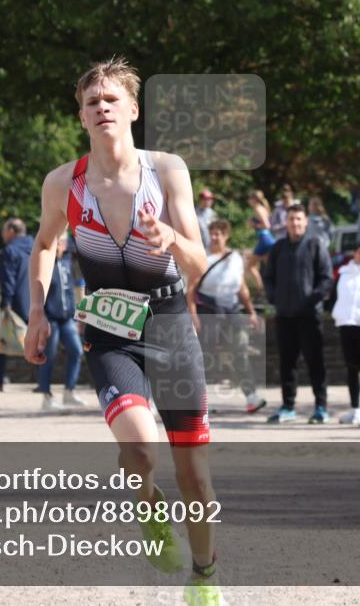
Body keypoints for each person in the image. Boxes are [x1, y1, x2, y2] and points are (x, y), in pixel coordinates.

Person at [23, 58, 222, 605]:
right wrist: (37, 312)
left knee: (195, 477)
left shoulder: (167, 170)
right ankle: (147, 505)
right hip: (110, 329)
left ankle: (204, 580)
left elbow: (200, 262)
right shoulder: (65, 182)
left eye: (112, 100)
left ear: (133, 109)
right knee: (139, 449)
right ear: (82, 116)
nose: (103, 108)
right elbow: (45, 245)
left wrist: (172, 242)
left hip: (170, 324)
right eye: (92, 102)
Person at [263, 204, 333, 424]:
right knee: (287, 363)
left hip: (309, 315)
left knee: (315, 362)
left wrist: (311, 300)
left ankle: (321, 407)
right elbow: (268, 277)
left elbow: (326, 279)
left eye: (299, 219)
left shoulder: (315, 245)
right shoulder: (278, 248)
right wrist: (275, 298)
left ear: (306, 221)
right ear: (286, 222)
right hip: (285, 315)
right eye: (292, 219)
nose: (295, 223)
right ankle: (288, 406)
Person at [187, 219, 265, 414]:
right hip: (207, 309)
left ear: (226, 236)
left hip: (231, 310)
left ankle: (251, 397)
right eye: (212, 233)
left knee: (239, 351)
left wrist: (251, 311)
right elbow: (191, 289)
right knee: (205, 357)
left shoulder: (235, 258)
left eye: (218, 233)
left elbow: (241, 287)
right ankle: (201, 401)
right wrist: (193, 315)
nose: (214, 237)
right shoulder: (202, 257)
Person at [0, 218, 33, 391]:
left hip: (15, 304)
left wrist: (6, 303)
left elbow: (8, 280)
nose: (3, 234)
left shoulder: (10, 250)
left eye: (4, 230)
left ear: (11, 230)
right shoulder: (35, 247)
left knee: (0, 341)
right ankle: (44, 382)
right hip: (36, 303)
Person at [37, 231, 86, 410]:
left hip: (67, 318)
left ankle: (69, 391)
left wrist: (79, 316)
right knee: (49, 355)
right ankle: (46, 395)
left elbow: (76, 288)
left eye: (62, 242)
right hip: (50, 317)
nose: (59, 245)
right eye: (57, 242)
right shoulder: (45, 263)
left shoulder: (68, 263)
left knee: (76, 350)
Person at [331, 242, 360, 426]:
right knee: (352, 368)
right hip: (347, 325)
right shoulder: (344, 273)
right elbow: (336, 297)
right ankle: (355, 407)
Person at [245, 190, 275, 295]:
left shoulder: (258, 208)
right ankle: (269, 291)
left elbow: (267, 225)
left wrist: (253, 224)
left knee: (250, 266)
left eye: (249, 198)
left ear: (254, 199)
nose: (248, 201)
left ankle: (261, 291)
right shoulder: (263, 208)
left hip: (264, 238)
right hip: (267, 238)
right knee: (270, 268)